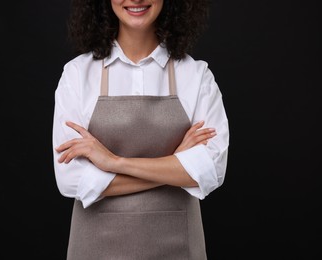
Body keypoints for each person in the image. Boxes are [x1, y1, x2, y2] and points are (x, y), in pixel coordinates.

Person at [52, 0, 229, 259]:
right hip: (96, 248)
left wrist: (113, 162)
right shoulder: (77, 75)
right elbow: (70, 181)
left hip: (179, 248)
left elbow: (211, 170)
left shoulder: (195, 75)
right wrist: (174, 165)